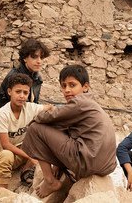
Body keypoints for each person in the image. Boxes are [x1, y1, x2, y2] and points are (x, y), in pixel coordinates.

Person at [20, 65, 117, 198]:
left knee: (35, 129)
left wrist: (35, 118)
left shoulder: (79, 102)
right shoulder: (91, 103)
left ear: (85, 87)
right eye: (64, 86)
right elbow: (66, 131)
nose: (67, 90)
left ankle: (50, 181)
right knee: (61, 130)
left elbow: (50, 117)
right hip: (105, 167)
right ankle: (61, 172)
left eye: (72, 85)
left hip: (87, 163)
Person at [0, 73, 53, 188]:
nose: (22, 96)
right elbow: (5, 144)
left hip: (23, 151)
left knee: (42, 140)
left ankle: (26, 172)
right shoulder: (3, 114)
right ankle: (2, 191)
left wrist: (52, 110)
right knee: (6, 155)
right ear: (10, 92)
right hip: (7, 153)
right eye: (18, 91)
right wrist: (30, 157)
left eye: (25, 93)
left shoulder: (30, 108)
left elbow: (49, 107)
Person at [0, 38, 50, 108]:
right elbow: (18, 107)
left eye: (41, 57)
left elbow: (34, 102)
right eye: (34, 57)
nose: (39, 61)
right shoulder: (14, 77)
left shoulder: (37, 78)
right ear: (25, 58)